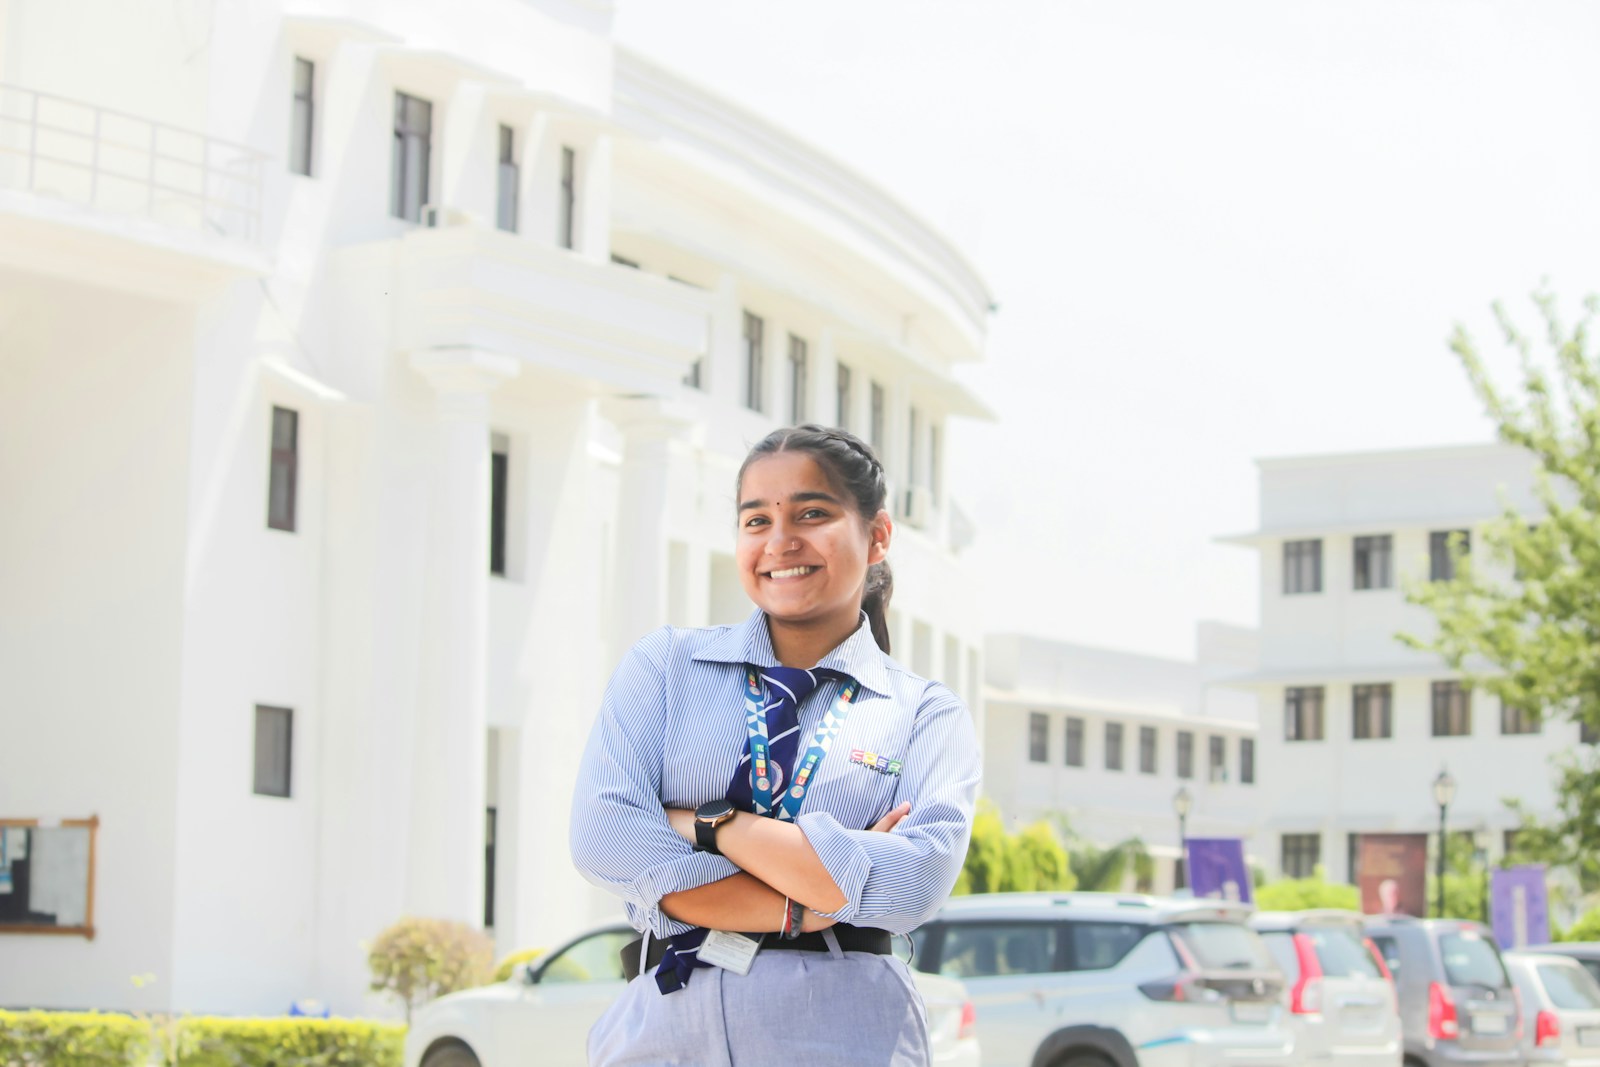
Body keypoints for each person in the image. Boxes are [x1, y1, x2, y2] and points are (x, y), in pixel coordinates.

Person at [570, 424, 981, 1067]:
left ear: (877, 536)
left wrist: (710, 826)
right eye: (756, 520)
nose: (780, 541)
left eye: (812, 513)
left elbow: (910, 887)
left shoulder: (924, 714)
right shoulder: (665, 668)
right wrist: (808, 902)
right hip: (663, 1035)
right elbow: (603, 836)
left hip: (847, 1040)